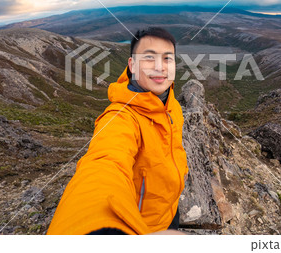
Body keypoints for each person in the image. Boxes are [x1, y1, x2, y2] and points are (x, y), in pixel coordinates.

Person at [47, 27, 188, 235]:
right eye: (149, 58)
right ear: (132, 65)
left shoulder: (171, 104)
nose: (160, 67)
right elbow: (104, 165)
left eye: (168, 59)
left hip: (170, 211)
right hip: (142, 229)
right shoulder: (120, 117)